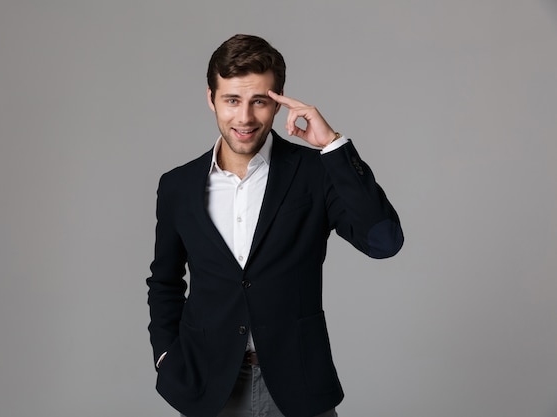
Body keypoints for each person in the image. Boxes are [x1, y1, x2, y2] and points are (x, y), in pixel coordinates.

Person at [146, 34, 404, 417]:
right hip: (208, 385)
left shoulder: (315, 174)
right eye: (232, 100)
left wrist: (332, 146)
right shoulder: (178, 185)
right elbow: (165, 280)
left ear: (279, 99)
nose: (245, 118)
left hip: (297, 385)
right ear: (211, 99)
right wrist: (165, 355)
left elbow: (384, 241)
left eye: (260, 102)